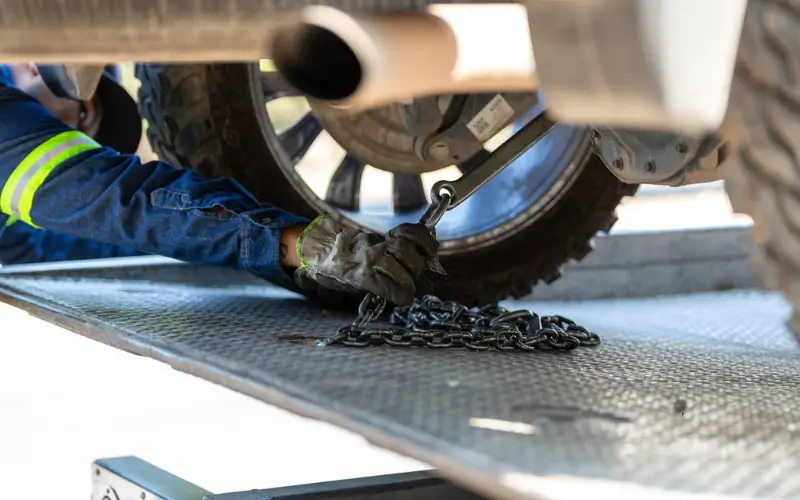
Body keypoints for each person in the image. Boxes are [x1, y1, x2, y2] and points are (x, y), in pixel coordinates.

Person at [0, 63, 443, 305]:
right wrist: (297, 245)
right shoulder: (12, 124)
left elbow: (129, 234)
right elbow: (122, 201)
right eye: (85, 110)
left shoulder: (17, 232)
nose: (66, 125)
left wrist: (294, 267)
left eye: (83, 124)